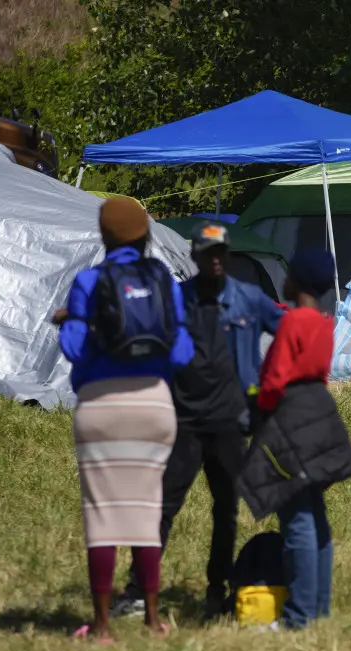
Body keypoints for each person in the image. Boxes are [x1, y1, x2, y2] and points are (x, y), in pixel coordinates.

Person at [113, 223, 285, 619]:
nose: (215, 259)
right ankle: (139, 591)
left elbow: (289, 332)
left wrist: (273, 387)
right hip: (183, 421)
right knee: (161, 507)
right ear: (195, 256)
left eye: (221, 252)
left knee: (225, 509)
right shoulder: (175, 300)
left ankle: (218, 588)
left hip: (230, 422)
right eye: (208, 253)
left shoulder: (248, 298)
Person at [55, 197, 194, 641]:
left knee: (102, 515)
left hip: (100, 406)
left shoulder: (89, 282)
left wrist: (74, 323)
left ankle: (101, 626)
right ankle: (153, 620)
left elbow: (74, 349)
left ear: (104, 235)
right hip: (154, 406)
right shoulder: (164, 283)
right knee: (146, 510)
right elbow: (183, 352)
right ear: (145, 233)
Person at [238, 250, 351, 630]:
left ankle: (298, 615)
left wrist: (253, 408)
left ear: (298, 283)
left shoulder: (292, 323)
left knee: (296, 522)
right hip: (318, 414)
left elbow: (274, 381)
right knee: (315, 518)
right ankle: (318, 607)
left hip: (288, 417)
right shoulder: (325, 323)